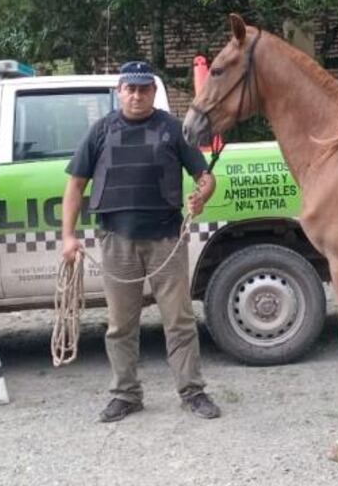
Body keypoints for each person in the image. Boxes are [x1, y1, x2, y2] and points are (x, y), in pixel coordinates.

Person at [61, 60, 220, 422]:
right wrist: (68, 236)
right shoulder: (100, 131)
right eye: (130, 89)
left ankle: (192, 392)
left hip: (166, 240)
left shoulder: (174, 129)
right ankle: (126, 395)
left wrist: (202, 195)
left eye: (143, 88)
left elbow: (205, 177)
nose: (136, 95)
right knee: (120, 325)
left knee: (179, 321)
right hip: (118, 241)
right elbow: (75, 185)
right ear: (119, 92)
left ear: (153, 91)